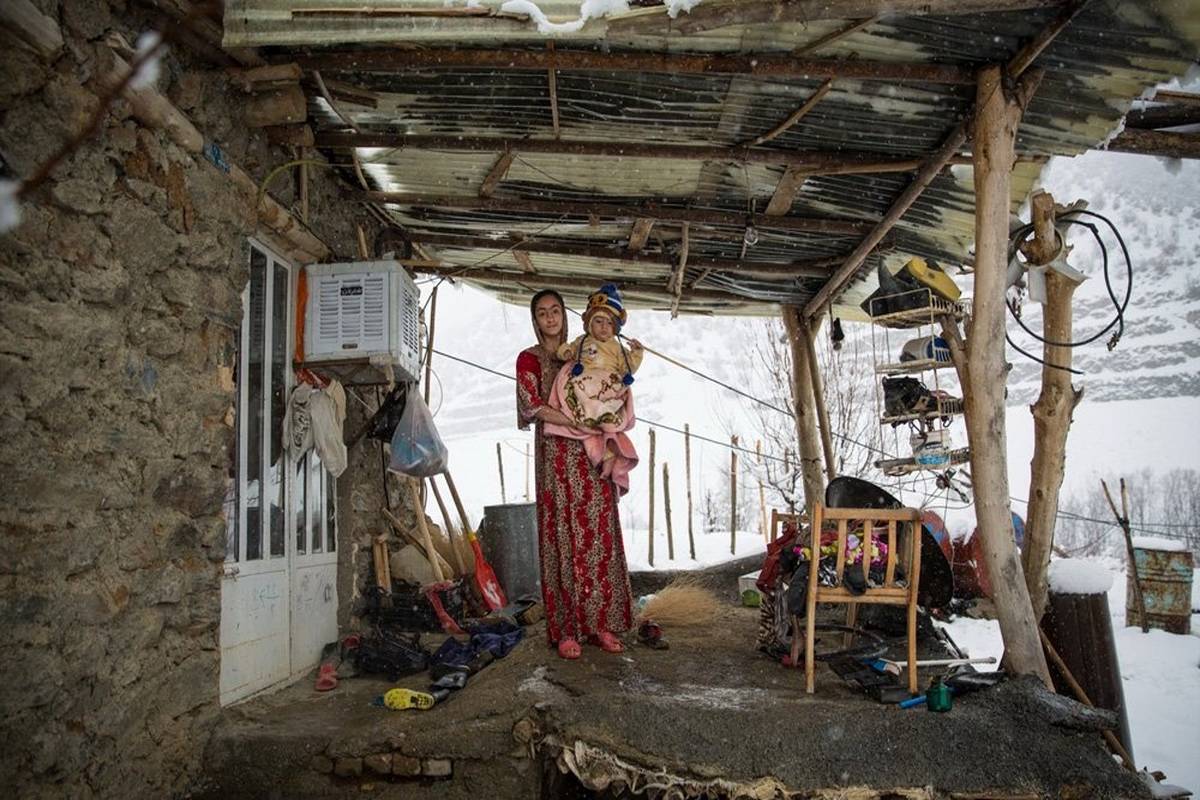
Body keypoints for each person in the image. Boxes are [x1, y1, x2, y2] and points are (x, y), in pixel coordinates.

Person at [516, 289, 634, 660]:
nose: (550, 318)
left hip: (592, 452)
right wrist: (574, 421)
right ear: (535, 320)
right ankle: (567, 629)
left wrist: (606, 414)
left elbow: (613, 383)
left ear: (565, 315)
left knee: (598, 534)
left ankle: (601, 624)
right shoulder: (529, 358)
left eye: (555, 311)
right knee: (563, 536)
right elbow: (531, 405)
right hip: (556, 455)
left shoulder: (589, 349)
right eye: (542, 313)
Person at [555, 283, 644, 430]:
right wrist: (566, 352)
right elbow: (568, 348)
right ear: (589, 323)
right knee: (576, 387)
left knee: (617, 391)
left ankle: (605, 412)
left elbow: (628, 368)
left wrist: (637, 353)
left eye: (609, 323)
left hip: (608, 383)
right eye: (598, 321)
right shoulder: (583, 340)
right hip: (587, 380)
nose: (604, 326)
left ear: (615, 327)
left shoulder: (617, 347)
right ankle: (592, 411)